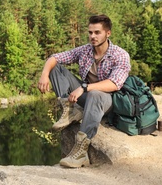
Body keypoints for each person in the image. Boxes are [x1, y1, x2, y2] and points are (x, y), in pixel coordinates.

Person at [37, 14, 131, 168]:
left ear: (108, 34)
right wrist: (44, 74)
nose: (92, 36)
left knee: (94, 93)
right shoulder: (85, 50)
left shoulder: (120, 55)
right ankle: (70, 110)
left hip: (108, 101)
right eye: (90, 32)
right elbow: (55, 57)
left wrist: (84, 87)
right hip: (86, 96)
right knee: (56, 68)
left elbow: (114, 83)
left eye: (97, 32)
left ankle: (81, 152)